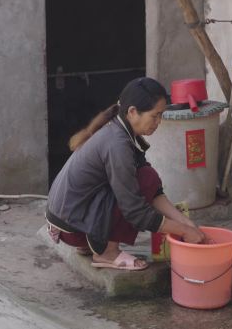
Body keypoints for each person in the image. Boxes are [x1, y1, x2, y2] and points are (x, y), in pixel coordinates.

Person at [46, 77, 205, 270]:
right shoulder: (117, 144)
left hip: (66, 221)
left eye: (161, 116)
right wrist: (182, 231)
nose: (158, 122)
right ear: (132, 112)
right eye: (155, 116)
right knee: (146, 179)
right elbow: (136, 212)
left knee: (146, 176)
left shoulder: (119, 128)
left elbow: (153, 191)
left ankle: (92, 244)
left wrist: (184, 222)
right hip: (71, 229)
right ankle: (107, 253)